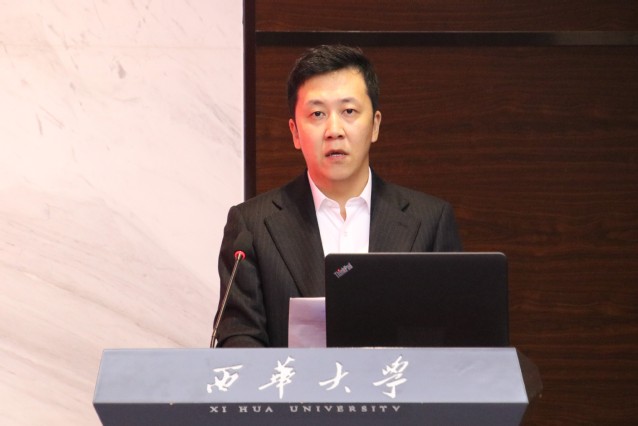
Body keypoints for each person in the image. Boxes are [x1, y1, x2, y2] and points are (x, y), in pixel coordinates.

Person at [215, 45, 462, 348]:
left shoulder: (429, 222)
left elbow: (452, 340)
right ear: (295, 132)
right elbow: (238, 340)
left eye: (349, 111)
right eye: (317, 114)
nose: (334, 130)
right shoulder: (251, 227)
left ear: (375, 125)